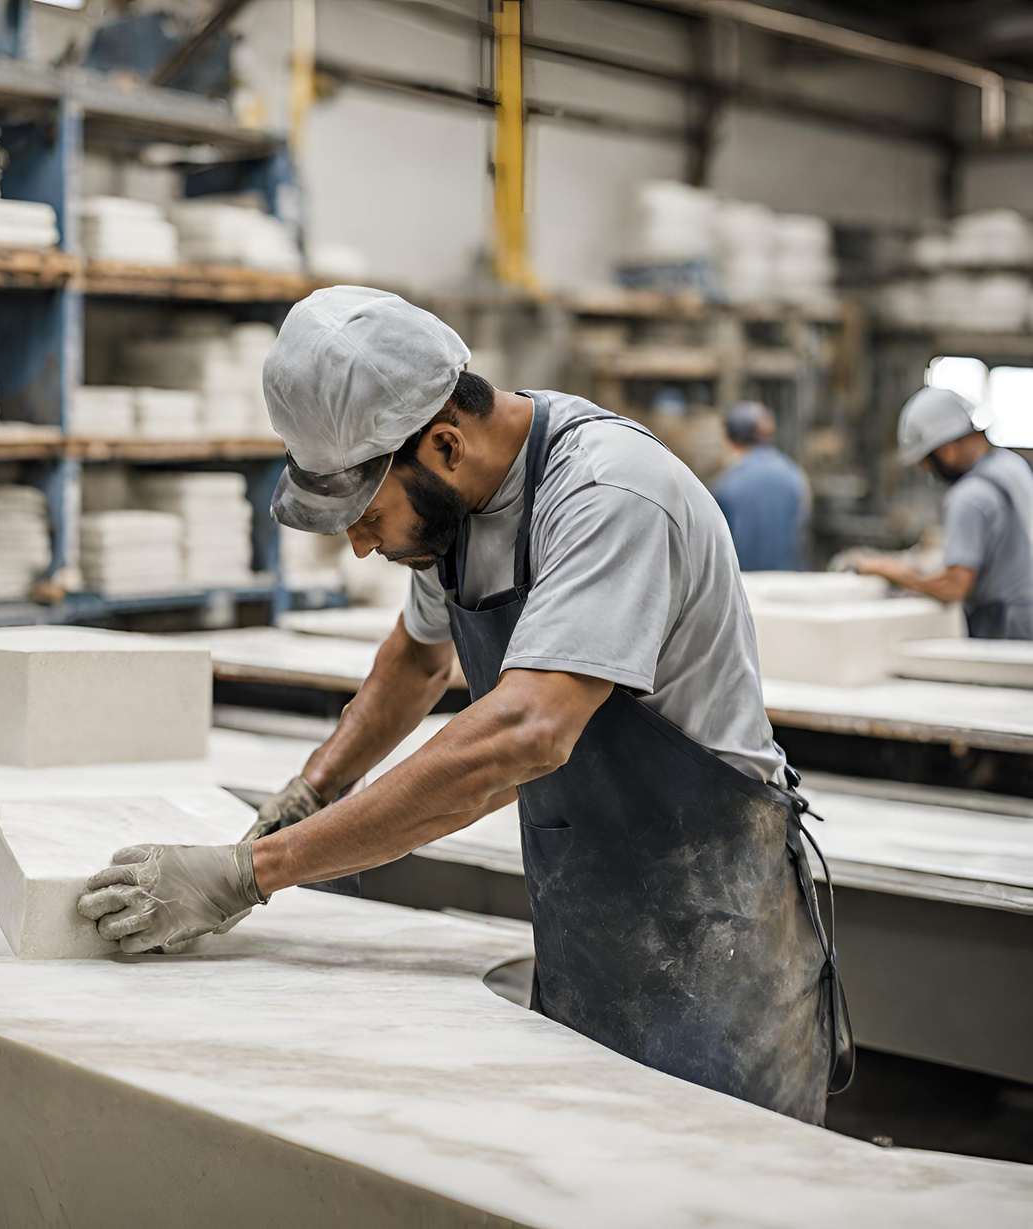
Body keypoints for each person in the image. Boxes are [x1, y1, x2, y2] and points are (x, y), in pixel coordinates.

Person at [77, 287, 851, 1125]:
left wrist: (249, 875)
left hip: (715, 925)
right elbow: (415, 659)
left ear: (444, 443)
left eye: (368, 516)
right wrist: (309, 794)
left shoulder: (606, 497)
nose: (361, 544)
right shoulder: (455, 510)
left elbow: (524, 733)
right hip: (590, 915)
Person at [853, 387, 1033, 639]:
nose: (929, 472)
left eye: (927, 462)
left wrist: (887, 570)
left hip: (1002, 631)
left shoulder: (968, 496)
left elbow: (954, 587)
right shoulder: (1012, 465)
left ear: (946, 450)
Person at [710, 400, 810, 571]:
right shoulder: (795, 475)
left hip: (743, 585)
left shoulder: (726, 483)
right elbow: (802, 530)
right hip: (788, 582)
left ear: (730, 438)